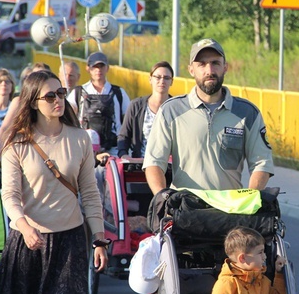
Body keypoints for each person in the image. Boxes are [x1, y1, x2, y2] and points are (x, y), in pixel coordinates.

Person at [0, 70, 108, 294]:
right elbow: (10, 196)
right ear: (33, 102)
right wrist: (24, 227)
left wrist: (99, 238)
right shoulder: (17, 143)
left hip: (70, 236)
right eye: (50, 96)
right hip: (30, 238)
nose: (58, 100)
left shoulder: (80, 138)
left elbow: (90, 194)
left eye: (61, 92)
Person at [143, 39, 274, 195]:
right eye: (202, 64)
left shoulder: (247, 113)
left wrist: (248, 201)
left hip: (230, 212)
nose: (209, 70)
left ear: (225, 67)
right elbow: (154, 162)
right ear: (191, 70)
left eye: (215, 63)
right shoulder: (171, 111)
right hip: (184, 210)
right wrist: (164, 199)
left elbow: (261, 163)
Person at [67, 52, 130, 155]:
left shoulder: (119, 93)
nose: (98, 70)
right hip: (84, 149)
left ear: (107, 68)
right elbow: (66, 116)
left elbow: (129, 119)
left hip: (114, 150)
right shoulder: (78, 93)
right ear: (88, 69)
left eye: (101, 66)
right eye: (94, 67)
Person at [117, 61, 173, 159]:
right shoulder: (136, 106)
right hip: (141, 166)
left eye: (166, 78)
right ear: (150, 79)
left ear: (172, 81)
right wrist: (124, 155)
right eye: (158, 77)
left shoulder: (177, 107)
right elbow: (124, 136)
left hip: (170, 168)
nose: (162, 81)